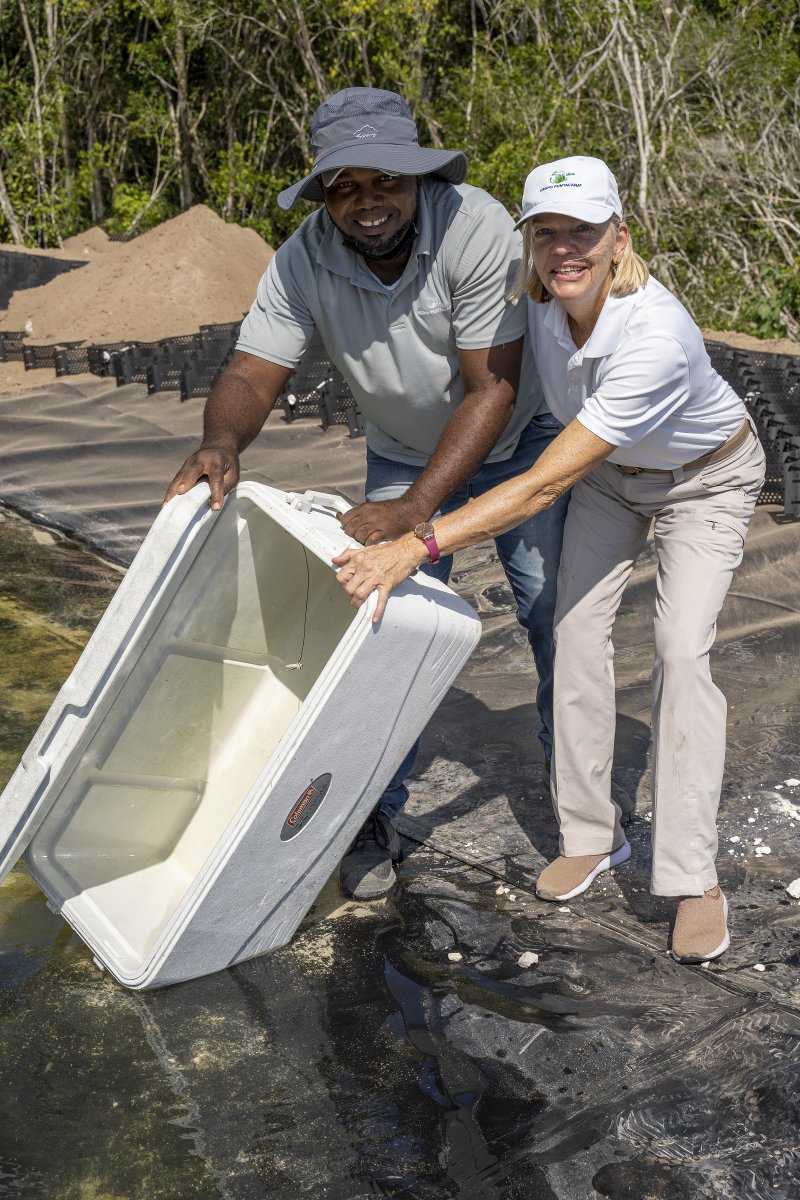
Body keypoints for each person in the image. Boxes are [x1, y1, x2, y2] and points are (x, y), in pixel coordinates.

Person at [333, 155, 766, 963]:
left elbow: (541, 485)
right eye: (546, 233)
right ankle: (593, 835)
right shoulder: (536, 299)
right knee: (570, 636)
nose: (564, 249)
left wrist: (417, 544)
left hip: (703, 480)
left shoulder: (655, 337)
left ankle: (693, 879)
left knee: (679, 650)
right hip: (611, 479)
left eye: (583, 232)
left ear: (618, 238)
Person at [164, 88, 569, 902]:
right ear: (324, 194)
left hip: (520, 442)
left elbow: (492, 387)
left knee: (554, 614)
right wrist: (221, 442)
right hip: (402, 451)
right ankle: (371, 813)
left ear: (418, 178)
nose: (367, 201)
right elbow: (252, 370)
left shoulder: (476, 227)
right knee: (379, 626)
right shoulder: (304, 257)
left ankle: (580, 806)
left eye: (385, 180)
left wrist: (418, 513)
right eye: (344, 186)